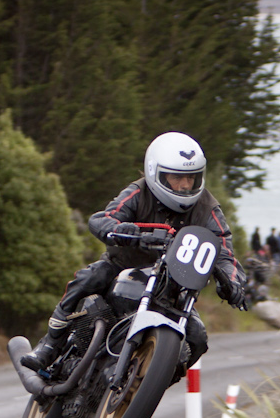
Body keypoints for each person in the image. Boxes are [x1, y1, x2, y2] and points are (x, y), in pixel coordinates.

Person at [21, 132, 248, 373]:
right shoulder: (138, 193)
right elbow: (102, 218)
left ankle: (150, 382)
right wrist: (121, 230)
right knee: (88, 278)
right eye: (176, 177)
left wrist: (234, 282)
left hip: (171, 286)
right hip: (122, 267)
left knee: (198, 338)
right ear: (155, 173)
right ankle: (49, 345)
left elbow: (224, 249)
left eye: (191, 178)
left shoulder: (208, 208)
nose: (185, 185)